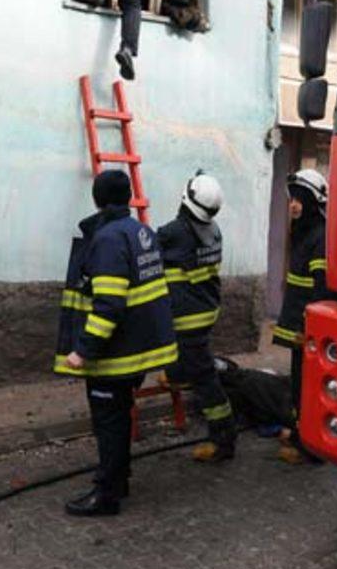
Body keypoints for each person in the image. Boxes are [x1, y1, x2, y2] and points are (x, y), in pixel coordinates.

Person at [54, 169, 177, 516]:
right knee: (120, 416)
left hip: (113, 355)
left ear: (97, 199)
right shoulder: (142, 232)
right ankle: (118, 479)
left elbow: (108, 303)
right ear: (127, 198)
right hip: (136, 351)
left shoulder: (108, 239)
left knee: (108, 422)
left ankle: (106, 494)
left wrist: (82, 350)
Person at [157, 171, 237, 463]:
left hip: (187, 318)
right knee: (193, 358)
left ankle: (224, 440)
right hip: (205, 311)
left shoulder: (175, 232)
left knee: (205, 379)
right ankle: (177, 373)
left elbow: (147, 249)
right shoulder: (213, 228)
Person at [273, 168, 329, 463]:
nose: (293, 204)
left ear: (313, 201)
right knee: (298, 382)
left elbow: (323, 289)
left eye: (300, 199)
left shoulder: (319, 236)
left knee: (309, 386)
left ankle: (311, 448)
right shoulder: (305, 231)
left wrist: (311, 328)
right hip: (299, 323)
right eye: (292, 198)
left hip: (309, 326)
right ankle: (299, 432)